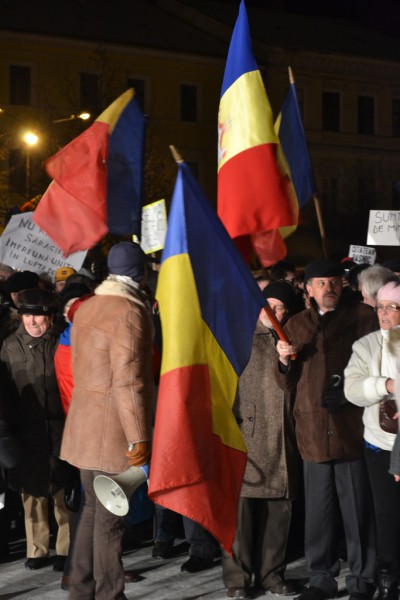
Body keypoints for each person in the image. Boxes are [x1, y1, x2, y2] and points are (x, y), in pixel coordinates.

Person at [274, 258, 378, 600]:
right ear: (308, 289)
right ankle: (321, 579)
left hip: (352, 431)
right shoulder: (296, 324)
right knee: (318, 514)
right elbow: (285, 383)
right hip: (313, 432)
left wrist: (351, 393)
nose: (328, 288)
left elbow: (379, 367)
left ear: (342, 285)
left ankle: (363, 580)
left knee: (358, 512)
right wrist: (283, 360)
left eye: (333, 282)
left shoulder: (364, 317)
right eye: (320, 283)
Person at [60, 241, 154, 600]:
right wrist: (138, 436)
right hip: (112, 430)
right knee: (110, 518)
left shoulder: (87, 307)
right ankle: (109, 594)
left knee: (92, 509)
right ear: (140, 273)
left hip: (84, 425)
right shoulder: (128, 311)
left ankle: (80, 588)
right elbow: (128, 381)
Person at [223, 281, 301, 600]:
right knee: (240, 513)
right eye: (268, 305)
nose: (273, 312)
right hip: (246, 432)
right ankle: (238, 579)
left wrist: (286, 360)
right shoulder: (239, 336)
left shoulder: (293, 338)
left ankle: (272, 574)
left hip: (282, 434)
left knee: (279, 512)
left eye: (280, 307)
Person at [0, 288, 71, 571]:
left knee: (62, 488)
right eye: (27, 315)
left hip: (60, 427)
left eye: (38, 317)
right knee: (32, 490)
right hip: (26, 429)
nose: (31, 322)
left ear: (50, 318)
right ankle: (37, 549)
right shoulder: (9, 346)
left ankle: (65, 548)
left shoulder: (61, 342)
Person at [345, 280, 400, 600]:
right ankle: (389, 578)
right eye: (380, 307)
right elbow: (353, 389)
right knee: (387, 514)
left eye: (392, 307)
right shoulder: (366, 345)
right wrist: (386, 385)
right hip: (380, 445)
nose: (384, 313)